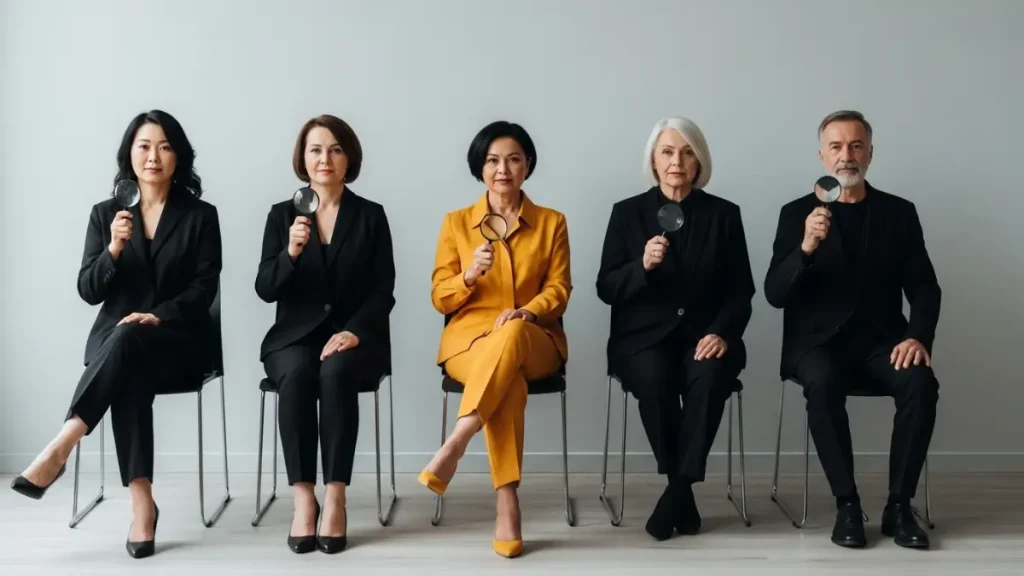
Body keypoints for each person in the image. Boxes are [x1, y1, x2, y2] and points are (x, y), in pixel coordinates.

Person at [10, 110, 222, 559]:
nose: (153, 156)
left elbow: (204, 288)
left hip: (178, 342)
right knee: (128, 359)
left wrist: (158, 316)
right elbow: (88, 290)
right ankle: (142, 505)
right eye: (144, 146)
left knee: (130, 346)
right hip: (119, 347)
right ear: (130, 153)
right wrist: (113, 249)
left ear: (178, 156)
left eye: (165, 146)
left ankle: (63, 443)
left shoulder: (201, 216)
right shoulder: (106, 214)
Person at [764, 110, 941, 549]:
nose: (847, 156)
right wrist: (805, 248)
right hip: (816, 346)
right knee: (823, 382)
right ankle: (847, 505)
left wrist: (917, 336)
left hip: (883, 342)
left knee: (921, 381)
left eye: (856, 146)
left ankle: (899, 506)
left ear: (870, 153)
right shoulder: (795, 214)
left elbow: (924, 286)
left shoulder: (899, 213)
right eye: (838, 147)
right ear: (823, 156)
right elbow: (774, 294)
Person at [596, 117, 755, 541]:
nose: (677, 161)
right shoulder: (627, 213)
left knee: (710, 374)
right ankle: (681, 494)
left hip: (706, 336)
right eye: (667, 152)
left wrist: (722, 332)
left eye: (687, 152)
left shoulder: (724, 215)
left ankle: (677, 490)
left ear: (699, 160)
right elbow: (606, 287)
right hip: (642, 340)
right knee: (656, 379)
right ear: (653, 159)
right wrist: (640, 267)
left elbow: (741, 292)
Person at [419, 120, 571, 558]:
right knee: (507, 383)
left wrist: (527, 311)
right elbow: (439, 297)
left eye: (513, 159)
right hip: (470, 343)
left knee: (514, 332)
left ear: (527, 166)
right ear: (479, 168)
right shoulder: (456, 224)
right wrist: (468, 276)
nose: (502, 169)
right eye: (492, 160)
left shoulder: (552, 223)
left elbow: (559, 289)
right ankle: (507, 501)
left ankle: (458, 439)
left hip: (535, 336)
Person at [256, 115, 395, 555]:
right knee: (297, 376)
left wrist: (355, 331)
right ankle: (303, 499)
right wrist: (291, 253)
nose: (325, 158)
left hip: (356, 339)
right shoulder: (283, 216)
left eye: (335, 149)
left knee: (335, 375)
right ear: (303, 158)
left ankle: (335, 497)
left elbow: (383, 290)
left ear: (348, 156)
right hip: (293, 339)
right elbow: (264, 288)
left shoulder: (370, 215)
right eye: (315, 150)